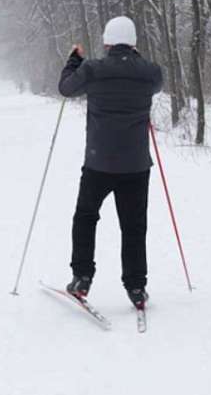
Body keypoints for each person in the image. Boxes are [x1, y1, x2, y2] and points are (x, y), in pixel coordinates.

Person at [58, 16, 163, 310]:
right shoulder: (150, 73)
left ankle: (81, 278)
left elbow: (66, 88)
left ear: (106, 42)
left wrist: (73, 61)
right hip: (136, 166)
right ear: (133, 43)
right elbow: (152, 80)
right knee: (133, 226)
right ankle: (136, 286)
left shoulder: (93, 69)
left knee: (86, 217)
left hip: (99, 163)